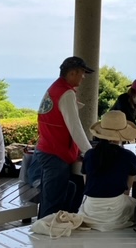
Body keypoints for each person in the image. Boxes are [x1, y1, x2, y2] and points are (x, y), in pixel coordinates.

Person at [35, 56, 94, 218]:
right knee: (52, 207)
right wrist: (89, 152)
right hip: (56, 154)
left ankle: (44, 230)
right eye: (82, 73)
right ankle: (48, 233)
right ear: (73, 73)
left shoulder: (54, 89)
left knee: (49, 200)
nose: (83, 77)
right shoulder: (66, 93)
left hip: (47, 150)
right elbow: (75, 127)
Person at [77, 111, 136, 231]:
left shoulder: (89, 154)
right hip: (115, 208)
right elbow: (127, 190)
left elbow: (87, 183)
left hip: (91, 208)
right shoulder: (129, 156)